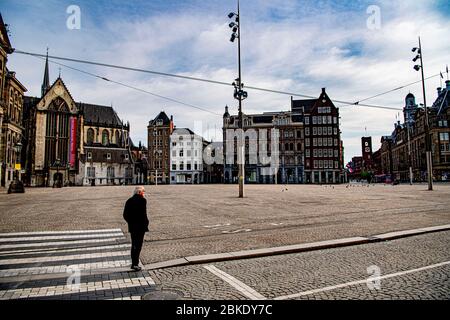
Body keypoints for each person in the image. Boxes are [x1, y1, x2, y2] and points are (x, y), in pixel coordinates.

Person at [123, 186, 149, 271]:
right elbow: (144, 214)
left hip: (133, 227)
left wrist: (131, 222)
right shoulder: (143, 200)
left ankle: (134, 263)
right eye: (143, 192)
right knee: (138, 245)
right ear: (139, 192)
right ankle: (135, 264)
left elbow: (125, 215)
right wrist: (146, 223)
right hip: (141, 227)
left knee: (134, 245)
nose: (144, 193)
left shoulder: (129, 200)